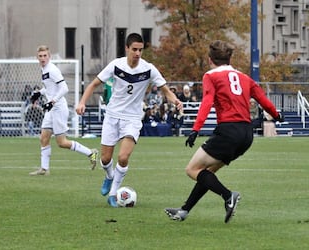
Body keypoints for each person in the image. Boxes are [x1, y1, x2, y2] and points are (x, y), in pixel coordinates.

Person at [164, 40, 284, 223]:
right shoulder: (244, 77)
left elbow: (207, 102)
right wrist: (276, 115)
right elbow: (263, 100)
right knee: (208, 173)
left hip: (229, 131)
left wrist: (196, 129)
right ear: (230, 58)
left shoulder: (211, 76)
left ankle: (228, 196)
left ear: (210, 59)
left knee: (192, 169)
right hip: (247, 134)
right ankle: (184, 211)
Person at [76, 33, 183, 207]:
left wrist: (176, 101)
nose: (138, 53)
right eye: (134, 49)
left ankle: (113, 194)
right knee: (105, 159)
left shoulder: (148, 69)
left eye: (140, 50)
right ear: (126, 48)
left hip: (132, 118)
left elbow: (165, 90)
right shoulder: (116, 66)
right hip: (112, 116)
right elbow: (94, 84)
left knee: (123, 157)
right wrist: (82, 102)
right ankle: (109, 176)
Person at [29, 45, 98, 175]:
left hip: (58, 108)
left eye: (45, 56)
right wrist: (39, 93)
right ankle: (44, 169)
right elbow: (50, 88)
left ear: (49, 56)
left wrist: (53, 101)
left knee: (62, 142)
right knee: (44, 138)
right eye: (40, 56)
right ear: (37, 57)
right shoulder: (43, 69)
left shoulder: (52, 70)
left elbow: (64, 88)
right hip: (52, 108)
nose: (43, 58)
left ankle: (91, 153)